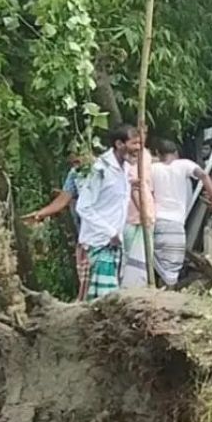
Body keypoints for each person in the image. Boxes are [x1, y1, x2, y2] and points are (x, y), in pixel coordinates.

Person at [74, 125, 139, 301]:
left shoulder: (125, 170)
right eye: (134, 143)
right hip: (97, 243)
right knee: (103, 302)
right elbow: (83, 207)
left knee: (105, 300)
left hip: (113, 245)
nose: (138, 148)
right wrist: (110, 231)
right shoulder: (99, 169)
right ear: (119, 144)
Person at [149, 138, 212, 287]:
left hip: (156, 221)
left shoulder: (152, 168)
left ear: (157, 153)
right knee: (172, 266)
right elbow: (203, 175)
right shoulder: (184, 165)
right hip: (175, 223)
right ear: (176, 153)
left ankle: (155, 291)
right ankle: (166, 294)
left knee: (157, 261)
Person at [23, 152, 86, 300]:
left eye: (77, 160)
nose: (75, 165)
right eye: (72, 163)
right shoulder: (75, 174)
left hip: (109, 233)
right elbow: (64, 198)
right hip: (85, 234)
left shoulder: (106, 169)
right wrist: (40, 214)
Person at [121, 137, 156, 289]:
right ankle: (131, 289)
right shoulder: (125, 162)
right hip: (134, 216)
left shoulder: (145, 156)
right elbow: (135, 189)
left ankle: (137, 287)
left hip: (143, 212)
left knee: (138, 256)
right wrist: (144, 213)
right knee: (130, 257)